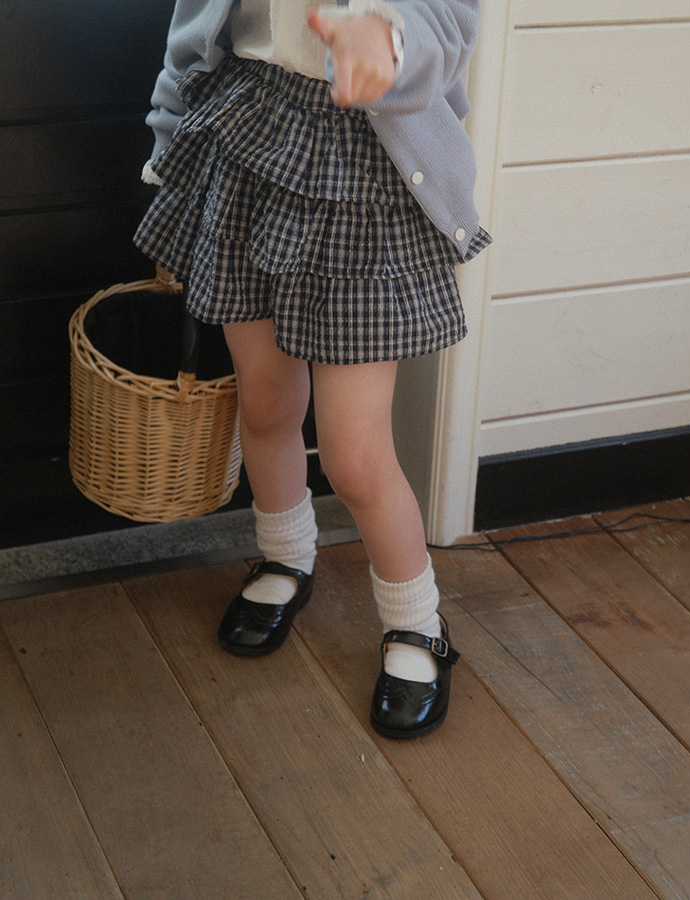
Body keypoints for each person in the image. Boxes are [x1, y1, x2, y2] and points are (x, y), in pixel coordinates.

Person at [133, 0, 490, 738]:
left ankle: (418, 624)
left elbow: (449, 25)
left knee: (355, 456)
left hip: (366, 168)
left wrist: (386, 35)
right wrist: (168, 143)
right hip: (248, 140)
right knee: (265, 406)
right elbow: (194, 32)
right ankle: (285, 559)